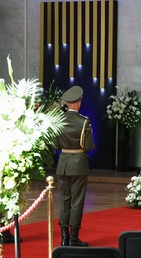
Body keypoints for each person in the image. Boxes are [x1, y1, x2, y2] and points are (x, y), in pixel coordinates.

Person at [56, 86, 95, 246]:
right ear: (78, 103)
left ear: (66, 103)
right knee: (77, 201)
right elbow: (89, 146)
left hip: (63, 163)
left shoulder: (58, 120)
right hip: (78, 163)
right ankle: (73, 237)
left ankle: (64, 237)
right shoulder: (84, 121)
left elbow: (55, 144)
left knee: (64, 200)